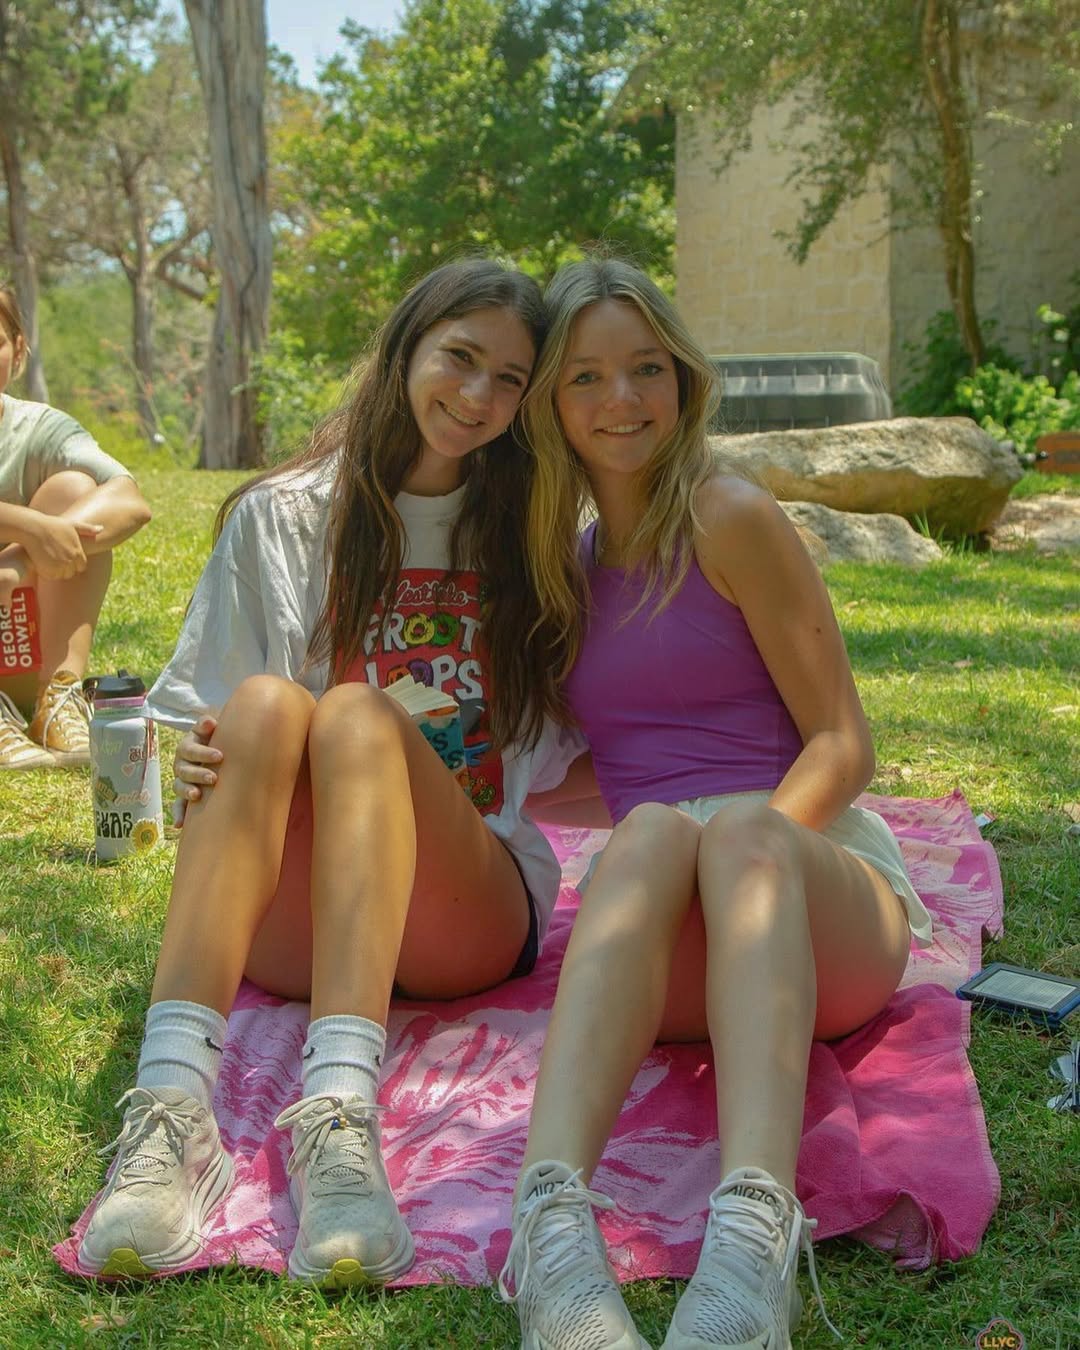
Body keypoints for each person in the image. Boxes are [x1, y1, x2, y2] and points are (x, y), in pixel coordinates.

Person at [76, 259, 582, 1287]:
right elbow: (195, 726)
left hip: (462, 912)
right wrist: (196, 753)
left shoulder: (534, 537)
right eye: (460, 358)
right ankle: (172, 1115)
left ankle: (341, 1120)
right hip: (299, 921)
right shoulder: (283, 515)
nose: (478, 396)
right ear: (404, 351)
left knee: (355, 713)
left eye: (511, 380)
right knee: (267, 704)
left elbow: (595, 740)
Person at [498, 258, 934, 1350]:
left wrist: (750, 846)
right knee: (650, 832)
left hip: (815, 897)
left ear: (684, 380)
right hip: (679, 937)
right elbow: (605, 775)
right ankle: (549, 1236)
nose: (623, 398)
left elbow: (843, 743)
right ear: (551, 403)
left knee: (730, 829)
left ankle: (752, 1242)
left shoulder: (729, 515)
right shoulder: (567, 570)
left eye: (647, 368)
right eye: (586, 376)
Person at [0, 283, 152, 769]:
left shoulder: (38, 430)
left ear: (18, 349)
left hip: (17, 650)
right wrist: (25, 525)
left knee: (73, 491)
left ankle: (55, 699)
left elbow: (128, 502)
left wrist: (22, 557)